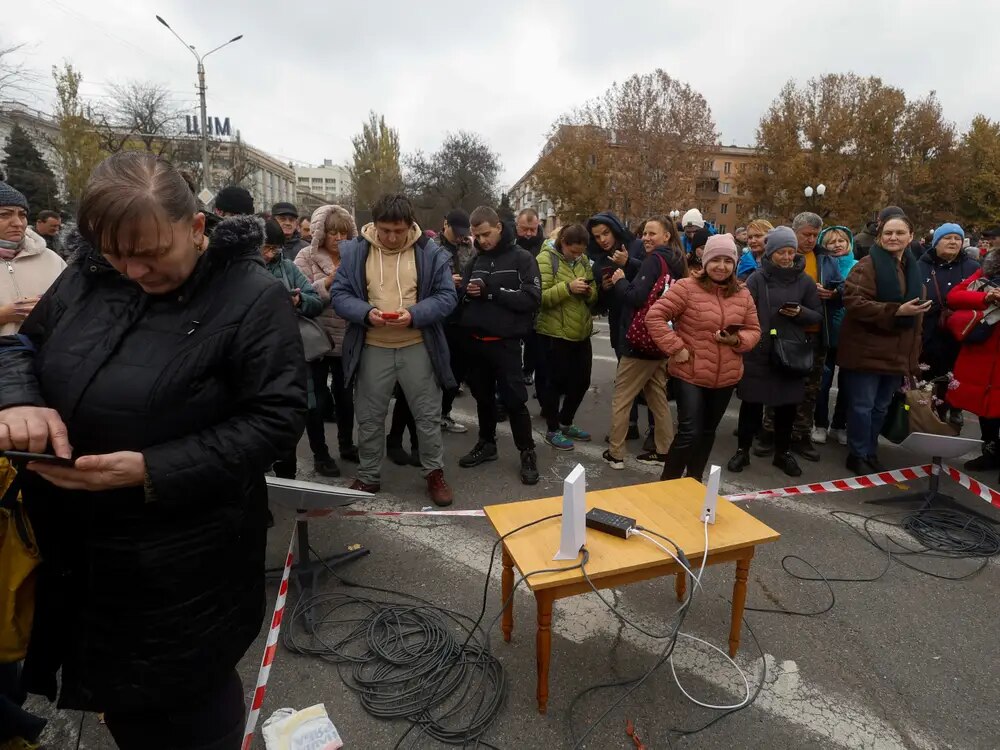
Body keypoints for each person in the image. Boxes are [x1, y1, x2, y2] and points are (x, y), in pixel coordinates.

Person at [0, 151, 307, 750]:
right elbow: (17, 350)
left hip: (182, 567)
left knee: (182, 714)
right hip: (74, 553)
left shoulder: (251, 297)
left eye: (152, 253)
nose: (134, 270)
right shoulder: (89, 273)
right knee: (114, 698)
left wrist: (152, 469)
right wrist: (17, 402)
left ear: (196, 228)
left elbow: (275, 419)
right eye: (118, 254)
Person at [331, 193, 457, 504]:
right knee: (370, 415)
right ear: (374, 224)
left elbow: (446, 296)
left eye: (398, 231)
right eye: (385, 230)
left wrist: (414, 314)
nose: (391, 237)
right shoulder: (355, 252)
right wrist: (364, 312)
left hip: (417, 345)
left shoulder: (430, 252)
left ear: (410, 225)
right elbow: (340, 293)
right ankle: (368, 475)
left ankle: (434, 472)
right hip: (372, 346)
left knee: (427, 415)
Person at [646, 234, 761, 480]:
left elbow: (754, 330)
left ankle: (694, 481)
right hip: (690, 372)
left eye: (728, 260)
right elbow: (654, 317)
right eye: (716, 260)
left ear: (735, 264)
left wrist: (736, 340)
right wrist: (676, 347)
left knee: (708, 431)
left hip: (726, 376)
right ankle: (667, 484)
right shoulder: (686, 287)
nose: (722, 266)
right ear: (705, 261)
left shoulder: (743, 293)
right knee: (689, 431)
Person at [838, 210, 929, 474]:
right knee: (862, 407)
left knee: (880, 407)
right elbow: (854, 303)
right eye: (888, 232)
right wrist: (896, 311)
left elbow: (916, 317)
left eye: (900, 232)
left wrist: (913, 356)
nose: (893, 237)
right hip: (866, 351)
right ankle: (856, 453)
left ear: (911, 236)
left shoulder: (912, 267)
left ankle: (869, 449)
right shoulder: (866, 265)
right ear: (879, 236)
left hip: (896, 353)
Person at [456, 206, 541, 485]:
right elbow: (464, 297)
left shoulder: (522, 258)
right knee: (483, 399)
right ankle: (487, 443)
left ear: (499, 227)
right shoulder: (475, 259)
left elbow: (531, 298)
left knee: (515, 401)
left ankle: (527, 451)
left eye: (486, 234)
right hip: (475, 343)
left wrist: (492, 291)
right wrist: (463, 291)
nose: (482, 240)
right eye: (477, 236)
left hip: (506, 344)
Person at [728, 227, 822, 477]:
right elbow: (742, 308)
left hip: (790, 354)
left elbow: (817, 315)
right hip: (759, 351)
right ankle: (742, 451)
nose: (787, 256)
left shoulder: (805, 281)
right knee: (751, 405)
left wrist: (800, 313)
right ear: (771, 253)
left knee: (787, 408)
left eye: (791, 251)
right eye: (782, 251)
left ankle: (783, 453)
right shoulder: (757, 279)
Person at [755, 212, 843, 462]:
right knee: (776, 383)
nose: (811, 240)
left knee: (809, 389)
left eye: (815, 235)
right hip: (782, 333)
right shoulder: (781, 257)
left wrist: (833, 294)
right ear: (794, 233)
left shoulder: (825, 259)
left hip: (815, 334)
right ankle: (769, 432)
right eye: (806, 235)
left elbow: (842, 289)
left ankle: (800, 435)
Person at [602, 216, 687, 469]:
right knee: (657, 397)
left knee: (622, 398)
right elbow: (651, 278)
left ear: (666, 236)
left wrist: (620, 280)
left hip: (639, 341)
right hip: (660, 340)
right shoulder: (675, 261)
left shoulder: (654, 260)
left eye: (652, 233)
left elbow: (635, 296)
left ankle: (616, 454)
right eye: (644, 234)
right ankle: (663, 451)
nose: (646, 238)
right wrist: (631, 263)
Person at [261, 219, 328, 480]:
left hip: (291, 355)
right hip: (256, 358)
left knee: (294, 416)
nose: (270, 254)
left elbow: (315, 301)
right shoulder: (240, 270)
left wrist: (299, 300)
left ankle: (287, 477)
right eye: (265, 248)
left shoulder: (288, 267)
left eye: (275, 249)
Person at [294, 204, 360, 464]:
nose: (338, 238)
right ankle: (320, 453)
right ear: (321, 232)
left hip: (346, 339)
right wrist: (328, 282)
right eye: (332, 232)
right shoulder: (305, 256)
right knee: (317, 401)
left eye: (343, 232)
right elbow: (301, 294)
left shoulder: (354, 258)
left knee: (345, 398)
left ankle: (346, 445)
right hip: (316, 340)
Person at [535, 223, 597, 451]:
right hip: (554, 332)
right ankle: (552, 429)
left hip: (580, 332)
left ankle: (566, 421)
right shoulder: (545, 259)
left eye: (581, 252)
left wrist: (590, 292)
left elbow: (595, 294)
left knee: (582, 381)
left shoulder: (582, 261)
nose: (577, 256)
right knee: (554, 383)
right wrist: (568, 288)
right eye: (573, 251)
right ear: (563, 243)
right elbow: (539, 297)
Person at [916, 223, 980, 426]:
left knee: (953, 375)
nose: (953, 242)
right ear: (936, 242)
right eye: (947, 238)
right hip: (927, 331)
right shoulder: (921, 265)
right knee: (925, 376)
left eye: (957, 239)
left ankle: (952, 409)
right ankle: (923, 417)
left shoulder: (972, 268)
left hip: (959, 333)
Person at [946, 244, 1000, 473]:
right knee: (984, 404)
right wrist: (986, 297)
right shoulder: (989, 269)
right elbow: (954, 296)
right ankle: (990, 452)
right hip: (983, 349)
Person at [0, 184, 67, 336]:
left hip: (51, 355)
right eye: (4, 214)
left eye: (22, 215)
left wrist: (52, 308)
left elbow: (78, 308)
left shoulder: (51, 259)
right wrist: (3, 315)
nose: (17, 223)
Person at [812, 226, 858, 446]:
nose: (837, 245)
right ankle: (819, 422)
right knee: (822, 381)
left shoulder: (858, 267)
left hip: (851, 333)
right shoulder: (821, 264)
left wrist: (838, 293)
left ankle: (840, 424)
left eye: (842, 240)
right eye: (831, 241)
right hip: (825, 330)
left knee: (848, 384)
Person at [515, 208, 544, 387]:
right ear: (517, 225)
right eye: (524, 229)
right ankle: (515, 369)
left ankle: (528, 371)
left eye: (532, 229)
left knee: (533, 340)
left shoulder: (545, 244)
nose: (528, 234)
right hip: (514, 295)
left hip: (535, 297)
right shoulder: (509, 242)